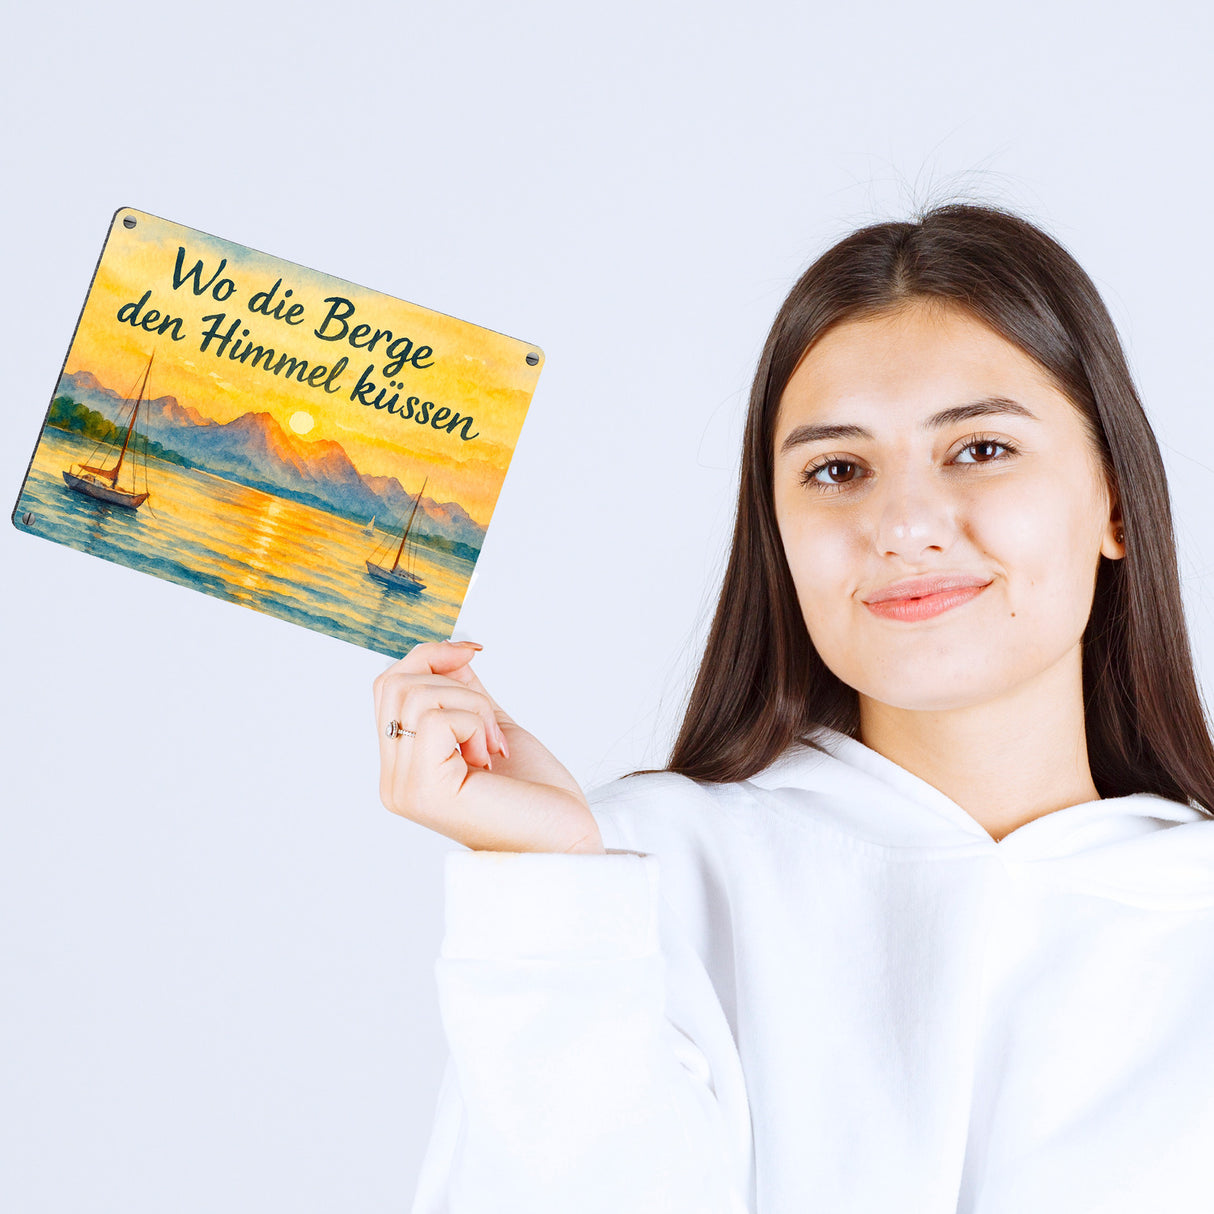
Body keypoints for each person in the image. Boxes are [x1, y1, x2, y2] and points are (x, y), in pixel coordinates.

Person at [373, 202, 1214, 1213]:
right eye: (835, 470)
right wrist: (549, 892)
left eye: (980, 448)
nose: (901, 523)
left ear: (1113, 498)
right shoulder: (629, 877)